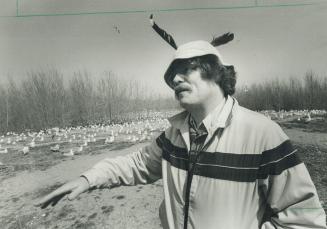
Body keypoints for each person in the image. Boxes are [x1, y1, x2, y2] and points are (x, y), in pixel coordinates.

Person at [35, 19, 327, 229]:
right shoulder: (174, 135)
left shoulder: (262, 133)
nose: (175, 79)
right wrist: (88, 178)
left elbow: (304, 218)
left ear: (215, 72)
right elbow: (136, 164)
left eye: (186, 69)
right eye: (172, 74)